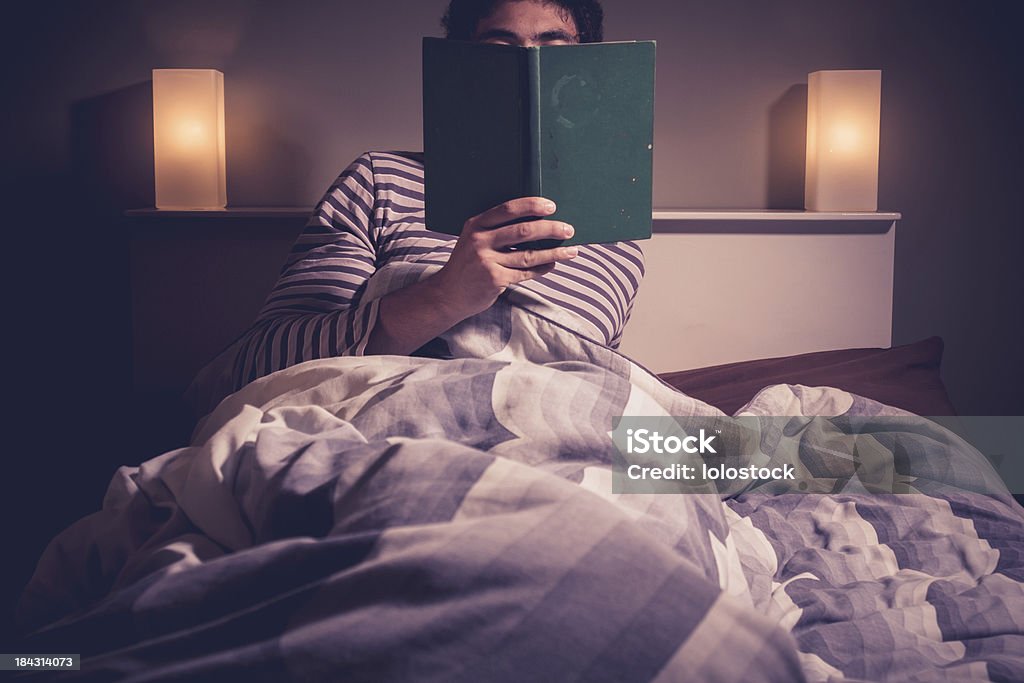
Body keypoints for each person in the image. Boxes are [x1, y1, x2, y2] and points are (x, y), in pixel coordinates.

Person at [221, 0, 644, 392]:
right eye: (499, 47)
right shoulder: (379, 180)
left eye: (555, 48)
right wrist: (444, 296)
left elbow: (602, 397)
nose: (528, 65)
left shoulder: (619, 241)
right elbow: (255, 369)